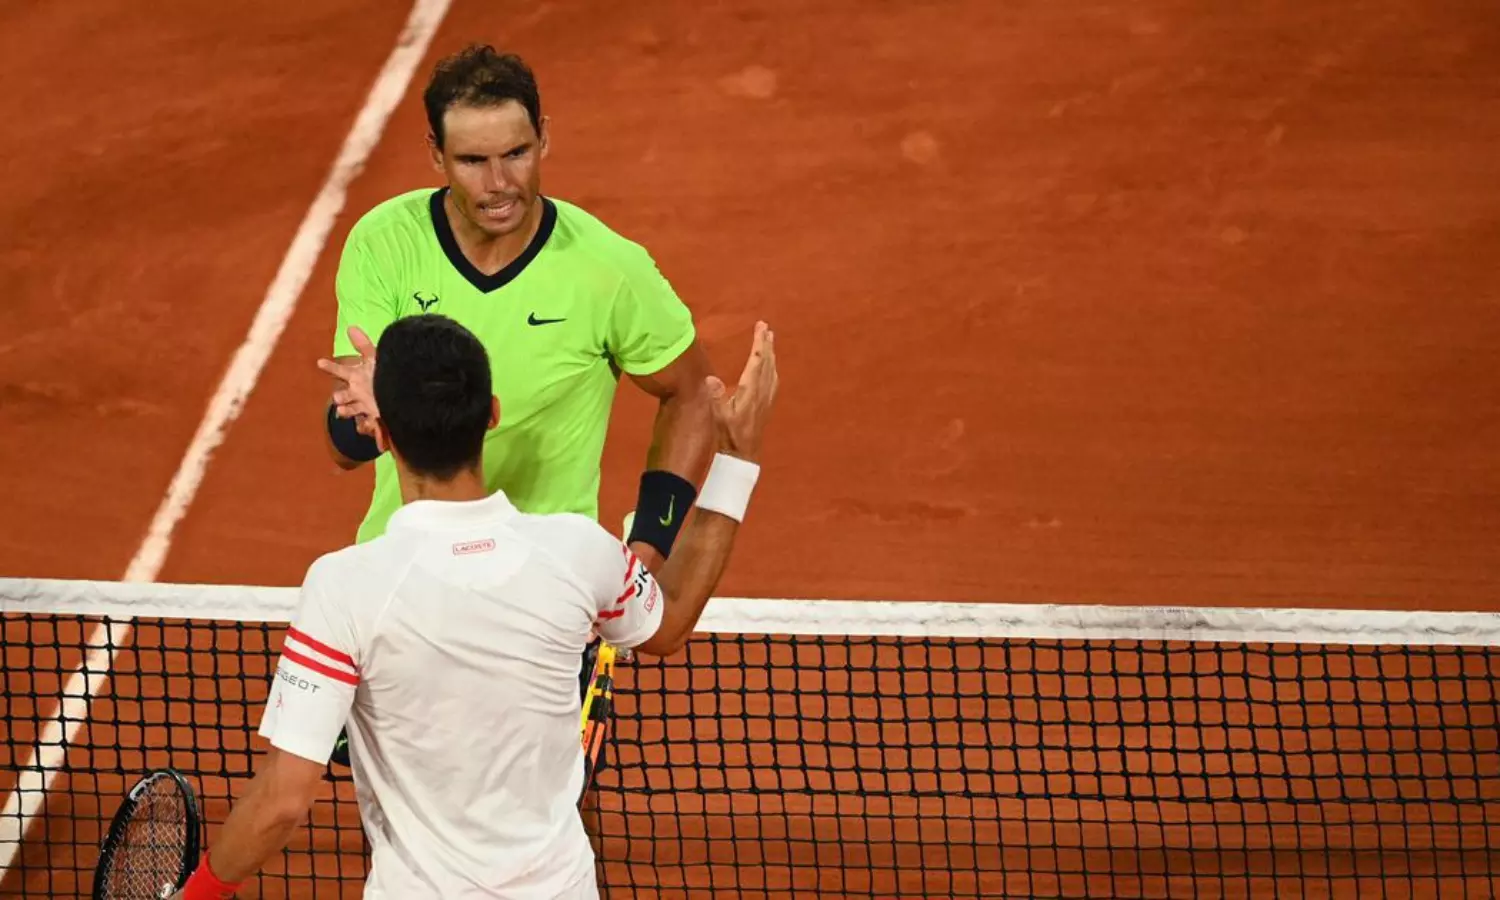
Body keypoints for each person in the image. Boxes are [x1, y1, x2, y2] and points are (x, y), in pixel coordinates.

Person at [170, 314, 777, 900]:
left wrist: (195, 896)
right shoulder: (579, 552)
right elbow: (670, 620)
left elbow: (282, 801)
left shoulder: (344, 587)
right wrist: (736, 461)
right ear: (492, 414)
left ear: (381, 434)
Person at [319, 43, 714, 574]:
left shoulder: (608, 268)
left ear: (543, 137)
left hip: (545, 582)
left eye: (516, 154)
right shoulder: (385, 243)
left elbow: (691, 391)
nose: (499, 184)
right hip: (406, 575)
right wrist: (373, 413)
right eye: (473, 161)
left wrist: (647, 547)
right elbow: (346, 448)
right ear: (436, 154)